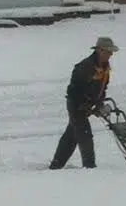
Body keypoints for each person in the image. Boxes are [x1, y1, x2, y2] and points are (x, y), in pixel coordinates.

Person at [48, 36, 118, 169]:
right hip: (76, 104)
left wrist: (99, 103)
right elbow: (74, 88)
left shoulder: (105, 68)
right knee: (84, 133)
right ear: (100, 50)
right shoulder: (86, 66)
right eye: (109, 52)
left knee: (72, 135)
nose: (111, 54)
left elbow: (103, 87)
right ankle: (89, 167)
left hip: (88, 104)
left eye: (111, 52)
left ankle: (56, 164)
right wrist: (83, 103)